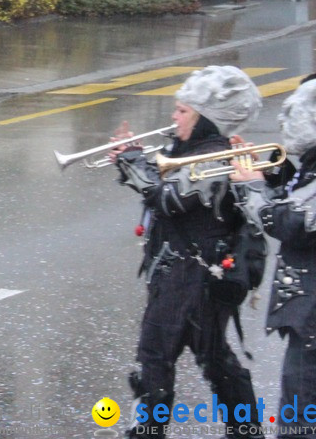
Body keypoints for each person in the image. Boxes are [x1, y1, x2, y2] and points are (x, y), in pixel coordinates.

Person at [110, 66, 263, 438]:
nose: (173, 117)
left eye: (183, 111)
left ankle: (148, 432)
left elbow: (170, 199)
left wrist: (134, 163)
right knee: (213, 358)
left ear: (205, 119)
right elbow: (159, 187)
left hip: (190, 275)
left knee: (154, 358)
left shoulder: (211, 157)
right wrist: (130, 160)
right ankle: (245, 430)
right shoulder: (189, 150)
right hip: (186, 272)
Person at [230, 78, 316, 437]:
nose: (285, 122)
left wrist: (253, 186)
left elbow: (292, 221)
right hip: (313, 315)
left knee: (301, 424)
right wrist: (269, 172)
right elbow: (300, 197)